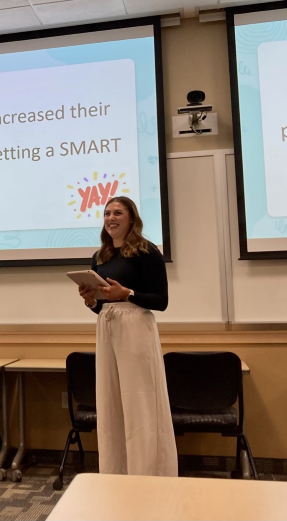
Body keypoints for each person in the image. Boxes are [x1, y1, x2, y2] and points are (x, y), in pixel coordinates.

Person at [77, 196, 178, 477]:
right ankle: (116, 472)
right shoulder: (100, 257)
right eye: (107, 213)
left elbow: (161, 300)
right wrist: (90, 299)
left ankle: (147, 472)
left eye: (118, 213)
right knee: (111, 401)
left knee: (140, 401)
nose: (111, 218)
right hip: (107, 325)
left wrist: (128, 294)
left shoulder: (146, 251)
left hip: (135, 327)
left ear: (131, 218)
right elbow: (100, 305)